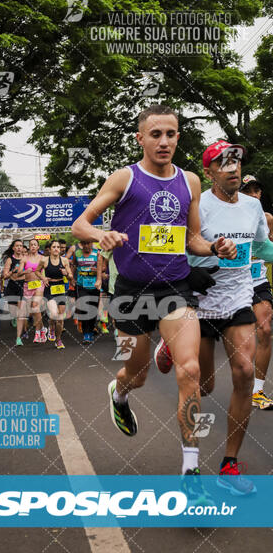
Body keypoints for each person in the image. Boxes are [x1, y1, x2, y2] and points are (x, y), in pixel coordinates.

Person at [72, 105, 236, 492]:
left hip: (175, 289)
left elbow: (190, 238)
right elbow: (80, 224)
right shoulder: (125, 178)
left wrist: (214, 247)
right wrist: (102, 236)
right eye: (156, 134)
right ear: (140, 138)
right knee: (138, 374)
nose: (164, 141)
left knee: (190, 371)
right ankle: (120, 390)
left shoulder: (191, 181)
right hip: (130, 292)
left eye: (171, 134)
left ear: (179, 137)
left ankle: (191, 470)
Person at [155, 142, 273, 494]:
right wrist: (188, 273)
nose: (232, 168)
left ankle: (229, 465)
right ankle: (171, 346)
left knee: (245, 371)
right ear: (209, 173)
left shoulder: (253, 206)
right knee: (204, 386)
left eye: (236, 162)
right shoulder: (197, 205)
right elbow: (168, 243)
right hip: (199, 301)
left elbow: (262, 247)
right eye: (223, 163)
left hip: (238, 297)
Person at [240, 175, 273, 409]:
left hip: (258, 281)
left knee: (266, 329)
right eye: (249, 191)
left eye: (257, 190)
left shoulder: (268, 219)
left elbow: (269, 249)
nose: (254, 195)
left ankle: (258, 391)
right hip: (232, 283)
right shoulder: (228, 216)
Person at [35, 240, 73, 349]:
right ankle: (51, 325)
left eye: (58, 247)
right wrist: (43, 278)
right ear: (50, 249)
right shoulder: (44, 260)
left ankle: (58, 339)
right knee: (54, 314)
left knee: (60, 318)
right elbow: (37, 271)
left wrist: (67, 274)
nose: (56, 249)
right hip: (49, 288)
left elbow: (70, 275)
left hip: (60, 288)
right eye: (54, 247)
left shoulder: (65, 260)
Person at [17, 238, 47, 343]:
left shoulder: (43, 258)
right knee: (34, 311)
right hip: (28, 285)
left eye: (35, 245)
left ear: (38, 247)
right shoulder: (24, 259)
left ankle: (38, 333)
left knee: (35, 306)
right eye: (31, 245)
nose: (33, 246)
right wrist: (25, 271)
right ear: (29, 247)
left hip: (39, 284)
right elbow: (18, 273)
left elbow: (48, 270)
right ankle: (42, 328)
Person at [72, 240, 102, 344]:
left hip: (94, 285)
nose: (86, 245)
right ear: (81, 244)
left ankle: (91, 329)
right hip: (81, 285)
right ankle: (86, 334)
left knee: (93, 309)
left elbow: (100, 268)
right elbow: (74, 265)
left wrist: (99, 280)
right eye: (84, 243)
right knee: (84, 309)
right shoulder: (77, 253)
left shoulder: (97, 253)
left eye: (88, 243)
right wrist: (71, 278)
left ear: (91, 244)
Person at [2, 239, 26, 345]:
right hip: (12, 286)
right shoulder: (10, 260)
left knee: (20, 313)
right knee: (14, 312)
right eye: (17, 246)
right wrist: (12, 271)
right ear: (13, 248)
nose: (19, 247)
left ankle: (18, 338)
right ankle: (14, 318)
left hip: (22, 286)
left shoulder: (25, 259)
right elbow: (4, 275)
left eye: (20, 246)